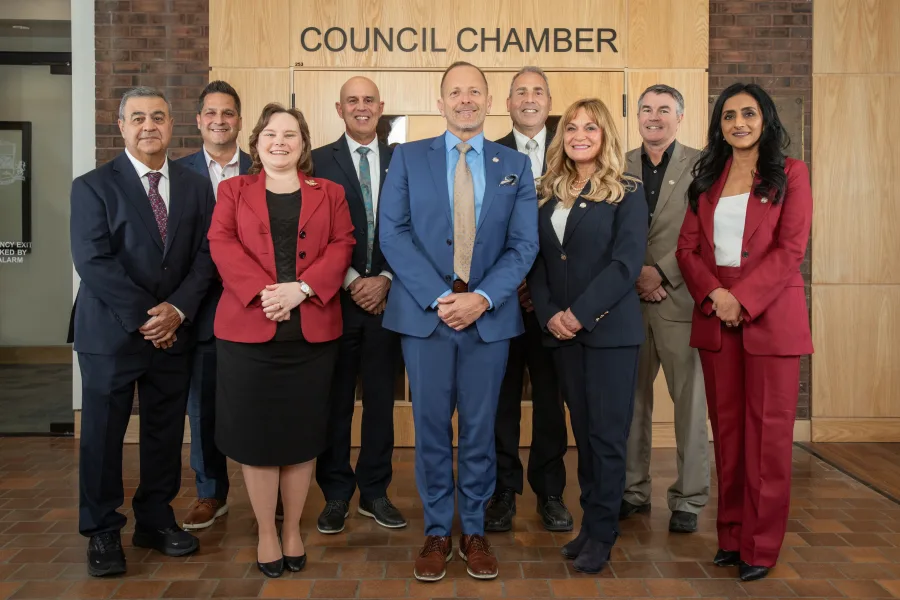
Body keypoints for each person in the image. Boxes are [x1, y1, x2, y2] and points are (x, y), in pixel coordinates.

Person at [379, 61, 538, 582]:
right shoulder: (406, 157)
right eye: (455, 92)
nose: (465, 99)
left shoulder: (513, 162)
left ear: (488, 99)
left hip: (488, 320)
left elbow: (524, 245)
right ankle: (435, 531)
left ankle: (473, 529)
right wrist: (441, 297)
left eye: (474, 91)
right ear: (440, 100)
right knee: (428, 428)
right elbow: (393, 235)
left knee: (479, 430)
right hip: (427, 318)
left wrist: (485, 298)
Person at [69, 86, 217, 577]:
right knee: (104, 435)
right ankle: (103, 530)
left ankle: (154, 519)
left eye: (158, 117)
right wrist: (148, 317)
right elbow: (94, 261)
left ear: (173, 125)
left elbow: (206, 256)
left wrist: (176, 310)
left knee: (164, 430)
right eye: (138, 118)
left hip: (174, 332)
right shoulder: (93, 186)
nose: (149, 125)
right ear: (122, 126)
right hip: (111, 333)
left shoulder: (196, 186)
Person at [207, 103, 355, 578]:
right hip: (250, 330)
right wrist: (266, 293)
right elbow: (221, 243)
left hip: (310, 333)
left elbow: (342, 244)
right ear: (257, 143)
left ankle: (292, 528)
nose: (280, 142)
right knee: (257, 439)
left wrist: (302, 289)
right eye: (271, 134)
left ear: (303, 145)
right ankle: (266, 534)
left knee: (302, 436)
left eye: (290, 134)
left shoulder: (329, 192)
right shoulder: (233, 191)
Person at [676, 82, 812, 582]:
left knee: (768, 439)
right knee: (730, 435)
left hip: (770, 315)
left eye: (748, 114)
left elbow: (790, 249)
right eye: (729, 115)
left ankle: (761, 545)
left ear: (765, 119)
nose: (738, 123)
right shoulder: (707, 176)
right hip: (717, 311)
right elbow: (686, 249)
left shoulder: (791, 174)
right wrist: (716, 295)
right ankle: (732, 538)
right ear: (719, 125)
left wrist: (743, 298)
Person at [527, 98, 647, 574]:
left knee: (607, 437)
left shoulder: (627, 191)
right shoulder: (547, 191)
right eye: (572, 127)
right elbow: (537, 260)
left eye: (591, 128)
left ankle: (602, 532)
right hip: (561, 331)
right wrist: (551, 315)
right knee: (583, 433)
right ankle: (588, 528)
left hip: (609, 333)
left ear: (606, 136)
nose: (580, 135)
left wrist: (577, 314)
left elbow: (626, 264)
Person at [311, 76, 405, 535]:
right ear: (339, 108)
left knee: (381, 403)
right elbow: (313, 234)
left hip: (390, 301)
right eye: (353, 101)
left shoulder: (402, 160)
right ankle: (335, 494)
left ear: (381, 106)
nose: (362, 107)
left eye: (370, 100)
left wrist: (385, 279)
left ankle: (374, 492)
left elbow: (413, 227)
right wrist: (352, 281)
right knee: (336, 401)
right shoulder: (318, 162)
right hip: (335, 300)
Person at [622, 84, 709, 533]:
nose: (653, 117)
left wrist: (662, 272)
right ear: (636, 116)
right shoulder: (620, 166)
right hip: (628, 302)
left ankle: (689, 498)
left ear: (680, 115)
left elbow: (706, 230)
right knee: (631, 402)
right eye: (646, 109)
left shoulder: (703, 165)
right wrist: (637, 271)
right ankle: (633, 490)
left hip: (680, 300)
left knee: (689, 404)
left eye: (663, 109)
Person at [488, 66, 571, 533]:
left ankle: (551, 492)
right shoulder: (491, 153)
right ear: (509, 102)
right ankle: (503, 490)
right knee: (501, 400)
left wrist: (539, 288)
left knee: (548, 401)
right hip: (502, 299)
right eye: (521, 92)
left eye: (538, 91)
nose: (529, 98)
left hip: (553, 304)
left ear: (549, 99)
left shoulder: (575, 148)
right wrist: (510, 282)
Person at [176, 80, 252, 531]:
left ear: (239, 121)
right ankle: (211, 493)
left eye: (228, 113)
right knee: (201, 405)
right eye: (211, 113)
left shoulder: (265, 169)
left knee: (261, 399)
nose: (219, 121)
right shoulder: (178, 173)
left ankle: (272, 485)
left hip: (256, 307)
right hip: (198, 310)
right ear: (199, 119)